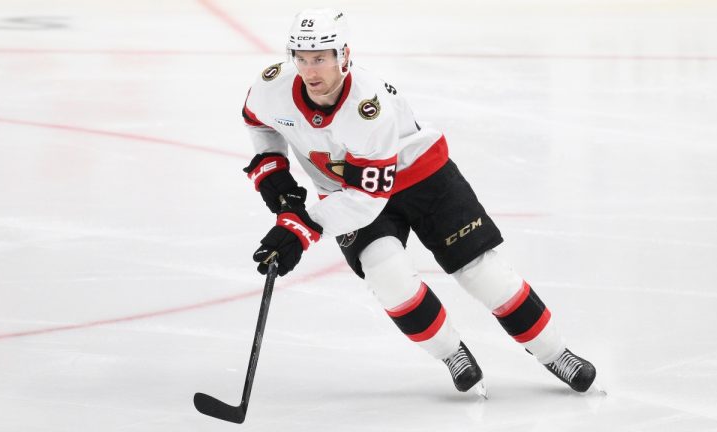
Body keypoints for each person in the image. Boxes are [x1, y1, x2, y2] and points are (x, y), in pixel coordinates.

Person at [241, 8, 597, 396]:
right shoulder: (272, 86)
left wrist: (301, 228)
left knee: (482, 272)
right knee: (387, 278)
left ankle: (554, 352)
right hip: (349, 191)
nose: (311, 71)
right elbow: (257, 121)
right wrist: (272, 171)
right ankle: (451, 353)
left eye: (321, 58)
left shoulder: (368, 107)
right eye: (303, 58)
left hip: (421, 179)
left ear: (344, 55)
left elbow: (368, 200)